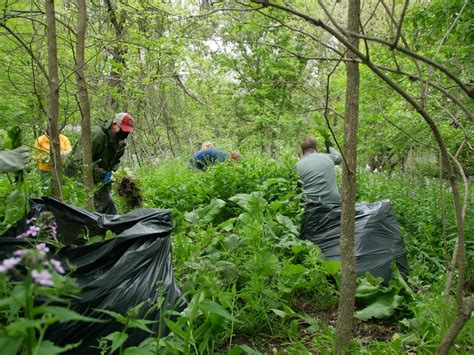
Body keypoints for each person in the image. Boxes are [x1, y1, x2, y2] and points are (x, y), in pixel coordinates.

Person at [66, 112, 134, 214]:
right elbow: (77, 162)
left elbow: (115, 162)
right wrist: (102, 174)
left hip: (98, 180)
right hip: (77, 177)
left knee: (108, 205)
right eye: (124, 130)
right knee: (82, 209)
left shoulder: (119, 143)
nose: (125, 134)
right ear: (114, 124)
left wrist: (115, 174)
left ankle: (113, 229)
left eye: (128, 132)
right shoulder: (97, 135)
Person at [295, 137, 342, 204]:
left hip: (310, 205)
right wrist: (330, 147)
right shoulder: (327, 157)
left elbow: (297, 189)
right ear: (316, 149)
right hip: (334, 202)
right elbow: (339, 158)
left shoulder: (297, 165)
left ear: (302, 151)